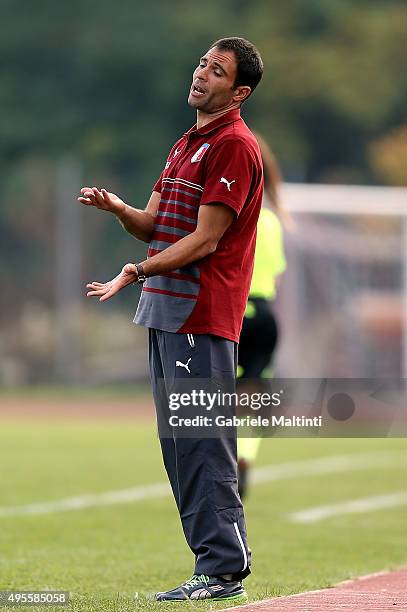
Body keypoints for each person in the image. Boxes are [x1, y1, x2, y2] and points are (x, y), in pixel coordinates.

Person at [78, 37, 264, 602]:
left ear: (240, 92)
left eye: (218, 70)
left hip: (200, 310)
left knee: (203, 441)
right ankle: (214, 562)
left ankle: (224, 567)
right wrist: (119, 211)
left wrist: (135, 269)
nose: (202, 73)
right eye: (203, 63)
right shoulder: (186, 143)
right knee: (179, 443)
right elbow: (154, 223)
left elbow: (206, 240)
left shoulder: (233, 146)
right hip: (166, 305)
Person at [236, 134, 287, 500]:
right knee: (252, 397)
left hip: (233, 313)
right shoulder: (271, 222)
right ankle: (245, 458)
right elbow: (276, 273)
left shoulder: (232, 217)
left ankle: (221, 463)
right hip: (266, 316)